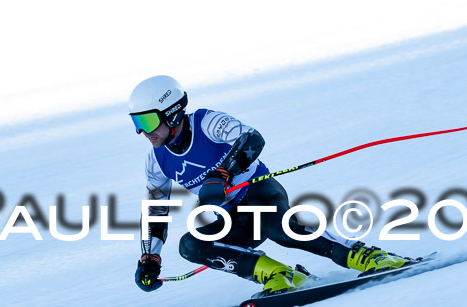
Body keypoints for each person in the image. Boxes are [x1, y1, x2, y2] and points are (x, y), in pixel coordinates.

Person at [130, 75, 412, 295]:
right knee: (191, 245)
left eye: (147, 120)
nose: (143, 131)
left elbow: (252, 139)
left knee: (278, 228)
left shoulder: (206, 123)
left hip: (259, 194)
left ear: (172, 111)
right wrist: (150, 256)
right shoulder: (156, 161)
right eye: (136, 122)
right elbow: (156, 209)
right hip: (233, 219)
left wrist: (223, 173)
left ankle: (369, 256)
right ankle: (281, 275)